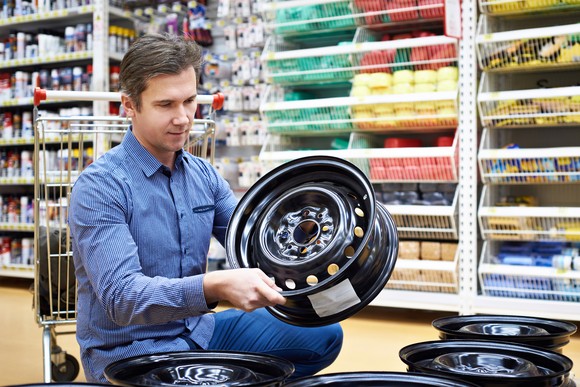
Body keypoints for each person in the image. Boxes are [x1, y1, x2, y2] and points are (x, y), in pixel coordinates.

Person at [68, 32, 343, 384]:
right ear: (129, 105)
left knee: (324, 335)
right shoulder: (100, 186)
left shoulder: (203, 176)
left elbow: (256, 239)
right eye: (166, 105)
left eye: (189, 101)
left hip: (199, 331)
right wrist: (212, 287)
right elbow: (122, 298)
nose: (183, 118)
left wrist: (308, 228)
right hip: (130, 350)